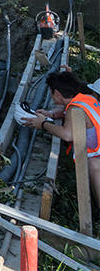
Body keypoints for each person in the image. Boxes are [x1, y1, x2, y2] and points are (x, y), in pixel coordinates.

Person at [24, 70, 100, 208]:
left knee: (94, 166)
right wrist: (51, 114)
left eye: (51, 93)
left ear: (57, 93)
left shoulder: (75, 108)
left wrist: (43, 124)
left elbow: (67, 134)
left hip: (96, 156)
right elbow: (67, 112)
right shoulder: (87, 98)